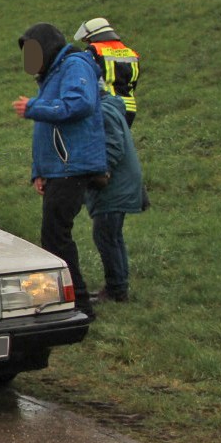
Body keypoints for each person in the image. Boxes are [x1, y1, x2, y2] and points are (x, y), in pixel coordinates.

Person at [12, 23, 107, 318]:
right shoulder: (55, 73)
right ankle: (69, 299)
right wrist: (39, 172)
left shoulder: (74, 65)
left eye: (33, 51)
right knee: (54, 235)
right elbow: (47, 132)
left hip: (72, 166)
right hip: (59, 168)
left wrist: (34, 107)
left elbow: (79, 104)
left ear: (47, 47)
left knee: (56, 235)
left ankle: (78, 303)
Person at [86, 85, 146, 303]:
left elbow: (113, 145)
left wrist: (103, 172)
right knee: (112, 236)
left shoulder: (103, 111)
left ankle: (116, 289)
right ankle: (118, 286)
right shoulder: (109, 107)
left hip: (115, 186)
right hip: (121, 184)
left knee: (105, 235)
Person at [75, 16, 141, 126]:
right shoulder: (131, 52)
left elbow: (87, 76)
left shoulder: (94, 50)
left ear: (93, 35)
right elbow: (134, 83)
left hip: (108, 105)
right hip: (130, 107)